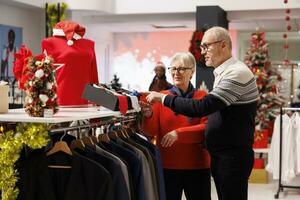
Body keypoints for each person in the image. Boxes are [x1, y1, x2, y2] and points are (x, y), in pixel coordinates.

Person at [146, 26, 259, 200]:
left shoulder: (236, 73)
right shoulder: (225, 72)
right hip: (222, 156)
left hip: (230, 157)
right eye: (173, 69)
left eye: (206, 46)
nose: (203, 52)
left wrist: (163, 100)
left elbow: (203, 107)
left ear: (223, 45)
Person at [140, 52, 211, 200]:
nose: (176, 73)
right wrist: (148, 116)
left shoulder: (203, 97)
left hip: (197, 165)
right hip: (167, 166)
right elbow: (151, 131)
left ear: (192, 72)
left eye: (181, 69)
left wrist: (178, 133)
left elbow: (207, 129)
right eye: (173, 69)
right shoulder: (161, 96)